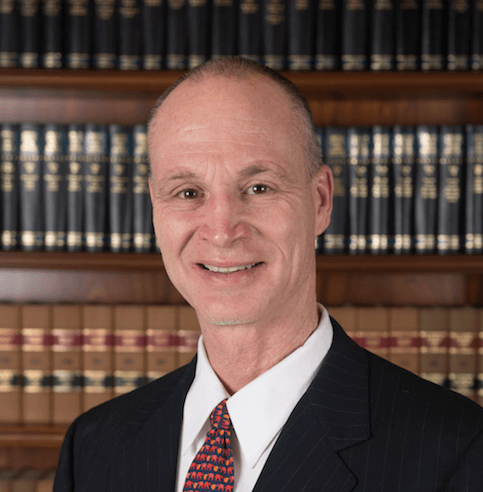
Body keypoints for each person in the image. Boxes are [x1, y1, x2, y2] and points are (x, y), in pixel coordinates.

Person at [54, 57, 483, 492]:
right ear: (155, 210)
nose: (221, 231)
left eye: (259, 188)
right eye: (188, 192)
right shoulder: (93, 446)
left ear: (320, 201)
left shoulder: (458, 451)